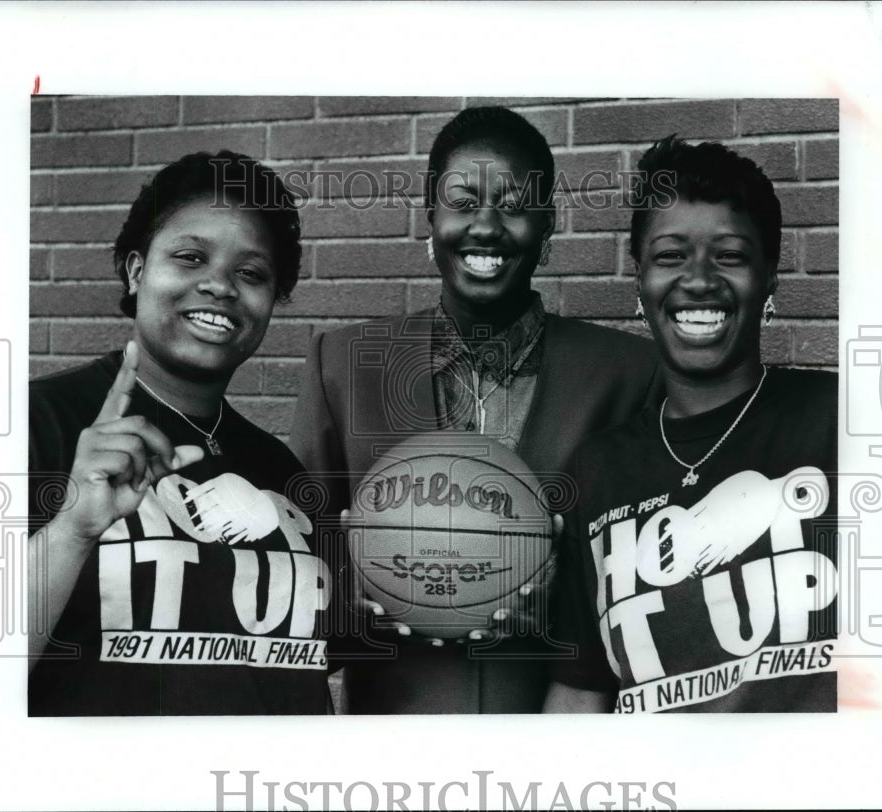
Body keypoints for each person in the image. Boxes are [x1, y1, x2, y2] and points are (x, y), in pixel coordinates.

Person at [290, 106, 661, 714]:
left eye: (514, 205)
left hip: (562, 749)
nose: (486, 226)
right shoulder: (345, 365)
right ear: (429, 219)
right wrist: (346, 602)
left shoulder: (627, 375)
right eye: (463, 202)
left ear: (547, 224)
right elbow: (295, 581)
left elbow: (659, 590)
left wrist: (564, 612)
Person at [28, 151, 332, 715]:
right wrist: (71, 529)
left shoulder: (279, 470)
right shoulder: (37, 424)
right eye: (191, 257)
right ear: (138, 270)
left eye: (251, 273)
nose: (220, 286)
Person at [545, 135, 838, 713]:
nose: (699, 280)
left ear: (769, 278)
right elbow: (582, 692)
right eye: (671, 256)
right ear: (640, 282)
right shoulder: (598, 469)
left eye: (729, 255)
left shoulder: (842, 420)